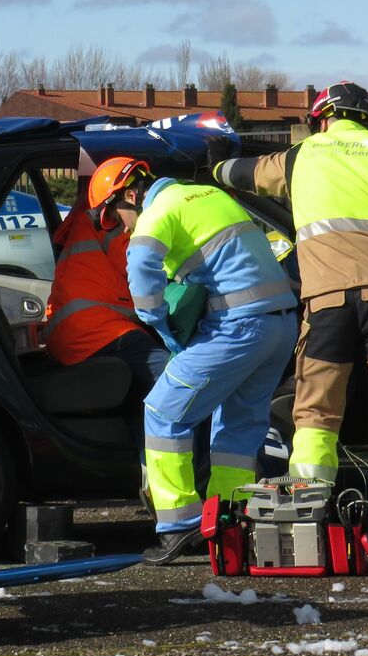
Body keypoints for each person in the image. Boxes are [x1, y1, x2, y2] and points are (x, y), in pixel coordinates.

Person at [213, 80, 368, 572]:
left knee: (316, 418)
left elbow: (240, 174)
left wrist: (213, 158)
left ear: (321, 117)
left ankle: (306, 529)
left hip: (324, 307)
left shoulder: (298, 158)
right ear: (366, 118)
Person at [90, 156, 299, 566]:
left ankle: (178, 524)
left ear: (131, 194)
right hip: (280, 325)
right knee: (238, 430)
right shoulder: (205, 194)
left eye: (117, 217)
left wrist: (163, 328)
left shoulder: (156, 214)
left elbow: (142, 280)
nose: (123, 226)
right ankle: (229, 523)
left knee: (163, 411)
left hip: (238, 328)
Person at [41, 156, 169, 397]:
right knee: (174, 383)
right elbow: (148, 272)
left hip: (70, 334)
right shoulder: (113, 226)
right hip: (98, 331)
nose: (128, 228)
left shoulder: (91, 223)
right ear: (129, 197)